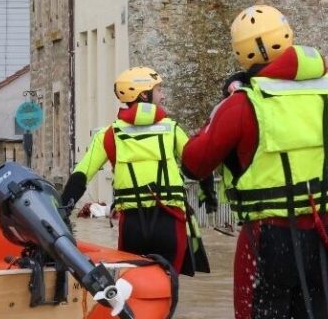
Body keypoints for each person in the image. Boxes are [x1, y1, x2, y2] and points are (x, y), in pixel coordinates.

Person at [181, 5, 328, 319]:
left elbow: (194, 164)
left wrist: (224, 105)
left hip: (269, 239)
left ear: (242, 54)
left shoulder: (241, 104)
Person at [59, 67, 213, 277]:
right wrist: (209, 192)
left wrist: (62, 212)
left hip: (133, 225)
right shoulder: (171, 128)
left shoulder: (109, 134)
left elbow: (81, 175)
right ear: (144, 95)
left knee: (131, 284)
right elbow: (198, 162)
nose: (163, 95)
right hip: (169, 221)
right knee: (167, 284)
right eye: (159, 90)